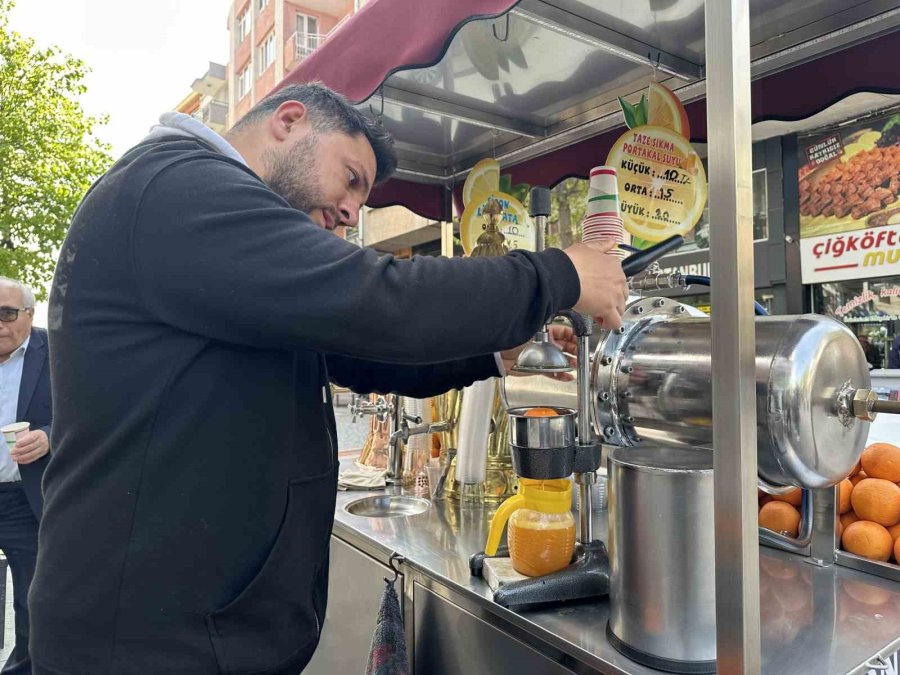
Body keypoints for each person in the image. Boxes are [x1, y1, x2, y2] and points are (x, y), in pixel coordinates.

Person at [30, 83, 628, 675]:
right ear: (289, 121)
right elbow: (380, 302)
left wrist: (501, 349)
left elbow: (365, 353)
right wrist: (560, 272)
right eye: (351, 179)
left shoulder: (218, 241)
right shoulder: (178, 186)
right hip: (146, 644)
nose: (350, 212)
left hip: (194, 631)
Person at [0, 277, 51, 675]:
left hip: (25, 498)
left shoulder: (58, 352)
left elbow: (90, 413)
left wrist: (49, 437)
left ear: (30, 315)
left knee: (34, 600)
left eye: (8, 313)